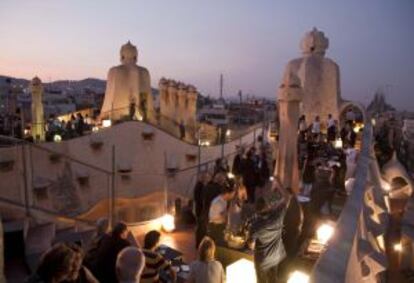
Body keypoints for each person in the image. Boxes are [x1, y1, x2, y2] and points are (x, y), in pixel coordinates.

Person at [247, 184, 290, 283]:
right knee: (273, 279)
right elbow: (287, 197)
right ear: (268, 207)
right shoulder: (277, 216)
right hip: (275, 256)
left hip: (262, 259)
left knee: (261, 281)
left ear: (257, 210)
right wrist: (278, 181)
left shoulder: (255, 225)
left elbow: (251, 245)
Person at [194, 172, 212, 247]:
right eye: (207, 178)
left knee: (199, 227)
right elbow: (200, 198)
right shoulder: (200, 186)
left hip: (199, 208)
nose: (208, 180)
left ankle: (199, 243)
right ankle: (199, 243)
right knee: (200, 227)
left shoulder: (199, 185)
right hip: (200, 209)